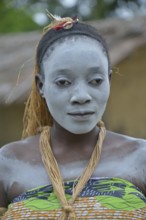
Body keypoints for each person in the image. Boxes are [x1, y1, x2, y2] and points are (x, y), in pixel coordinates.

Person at [0, 12, 146, 220]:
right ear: (41, 86)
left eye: (95, 81)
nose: (81, 96)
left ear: (109, 80)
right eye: (63, 82)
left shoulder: (140, 157)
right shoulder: (7, 162)